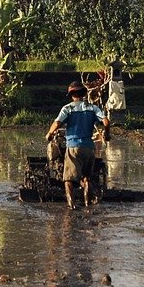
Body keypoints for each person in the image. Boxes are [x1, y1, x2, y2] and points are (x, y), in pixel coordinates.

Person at [45, 80, 110, 209]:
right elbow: (106, 122)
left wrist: (49, 134)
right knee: (86, 179)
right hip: (89, 149)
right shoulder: (93, 108)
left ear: (71, 95)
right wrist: (107, 134)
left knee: (68, 180)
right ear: (84, 94)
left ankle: (72, 206)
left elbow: (57, 123)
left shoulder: (68, 108)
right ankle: (87, 204)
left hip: (74, 147)